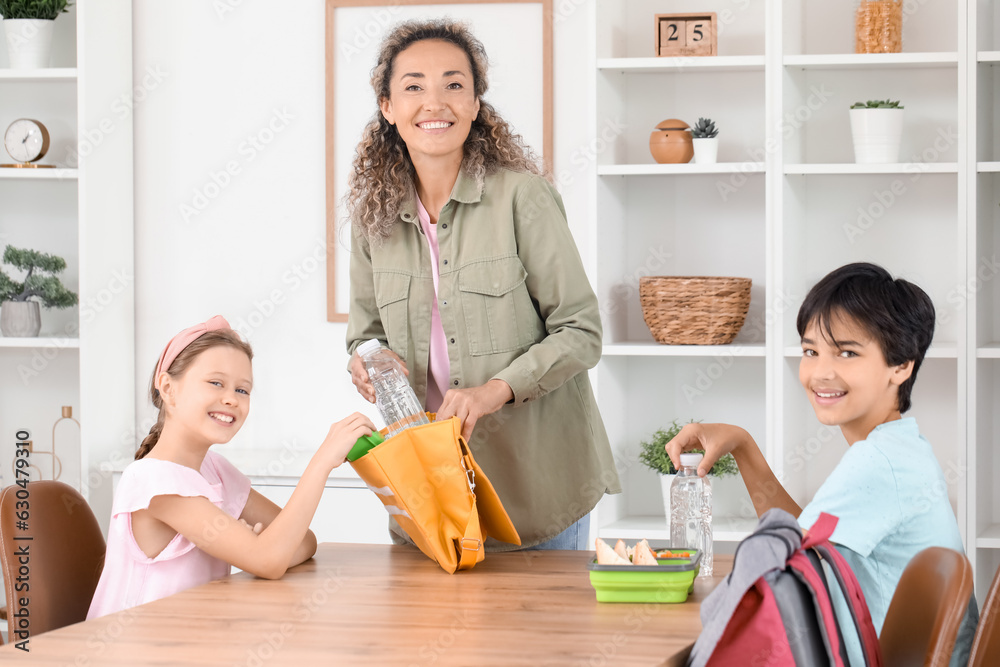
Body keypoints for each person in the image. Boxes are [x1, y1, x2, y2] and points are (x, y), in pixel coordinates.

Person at [344, 19, 619, 550]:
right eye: (413, 87)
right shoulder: (371, 219)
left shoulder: (523, 199)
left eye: (453, 84)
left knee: (532, 635)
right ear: (387, 108)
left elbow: (580, 331)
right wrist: (362, 361)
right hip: (425, 488)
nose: (434, 102)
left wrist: (493, 392)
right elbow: (365, 336)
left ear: (475, 104)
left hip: (533, 489)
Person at [666, 263, 976, 665]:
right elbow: (800, 541)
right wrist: (742, 446)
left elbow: (778, 562)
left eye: (847, 352)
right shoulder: (902, 446)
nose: (821, 372)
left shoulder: (878, 461)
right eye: (811, 351)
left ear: (901, 366)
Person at [88, 315, 375, 619]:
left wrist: (265, 547)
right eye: (216, 383)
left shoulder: (215, 470)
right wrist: (322, 463)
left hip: (191, 643)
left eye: (243, 390)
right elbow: (268, 561)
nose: (231, 399)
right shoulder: (152, 481)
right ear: (168, 389)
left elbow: (305, 540)